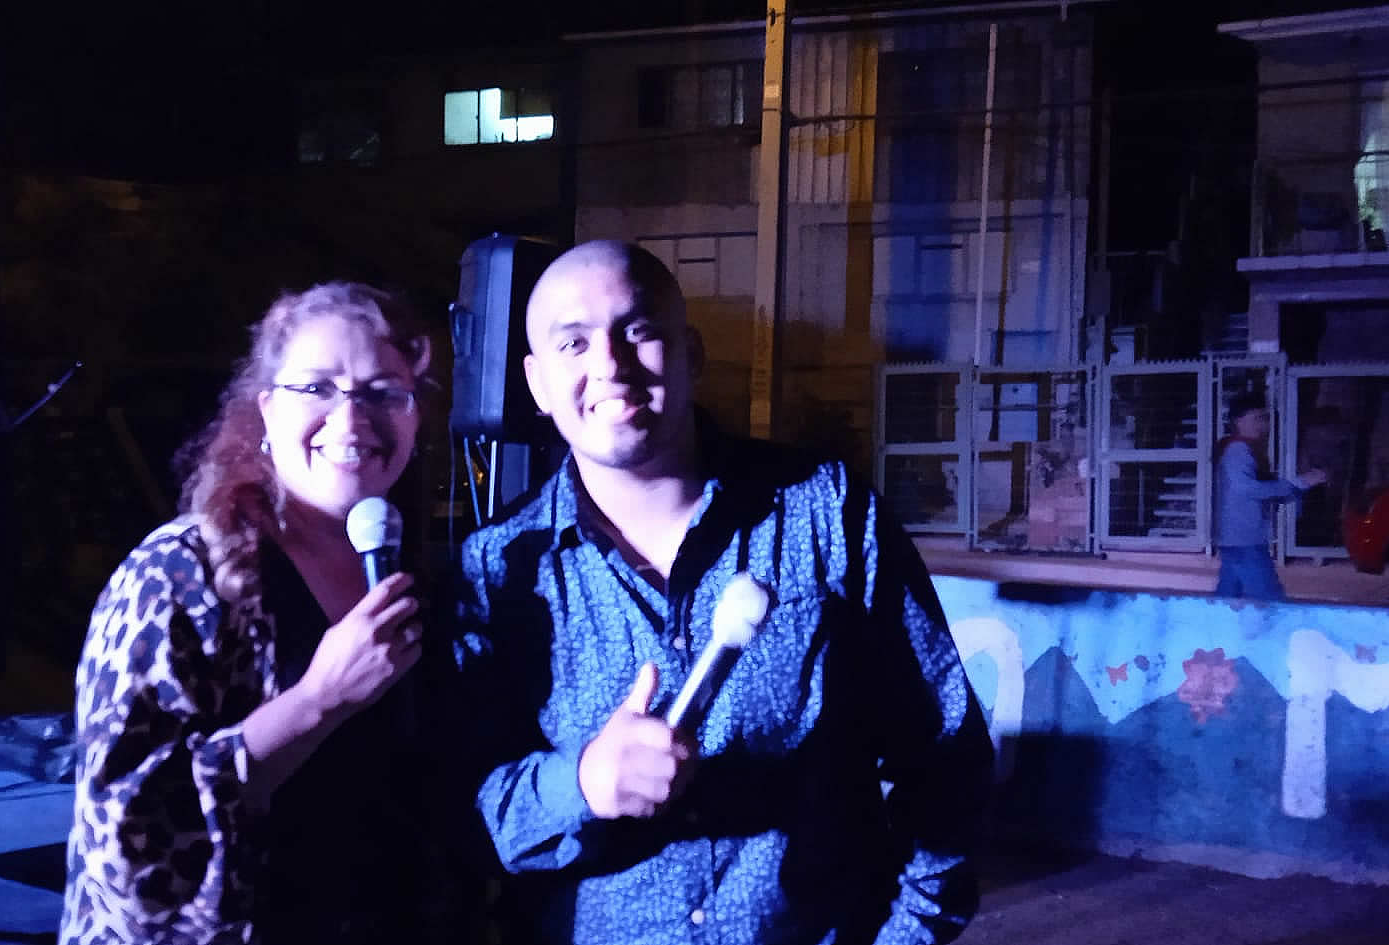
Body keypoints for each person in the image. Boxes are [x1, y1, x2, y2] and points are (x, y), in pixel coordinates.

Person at [448, 241, 992, 944]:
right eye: (574, 342)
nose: (609, 364)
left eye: (638, 330)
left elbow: (946, 756)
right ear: (537, 384)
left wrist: (907, 932)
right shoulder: (496, 569)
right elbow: (466, 818)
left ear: (692, 354)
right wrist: (580, 783)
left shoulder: (828, 513)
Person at [62, 283, 442, 944]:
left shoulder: (411, 566)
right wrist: (319, 700)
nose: (352, 419)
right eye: (317, 388)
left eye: (384, 392)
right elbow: (125, 840)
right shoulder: (180, 572)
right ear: (266, 409)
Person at [1213, 392, 1327, 601]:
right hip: (1245, 536)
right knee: (1270, 601)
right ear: (1238, 421)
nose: (1263, 425)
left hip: (1237, 536)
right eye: (1257, 418)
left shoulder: (1240, 449)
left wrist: (1297, 486)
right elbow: (1248, 489)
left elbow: (1257, 490)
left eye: (1265, 418)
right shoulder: (1239, 450)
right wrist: (1299, 483)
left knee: (1228, 598)